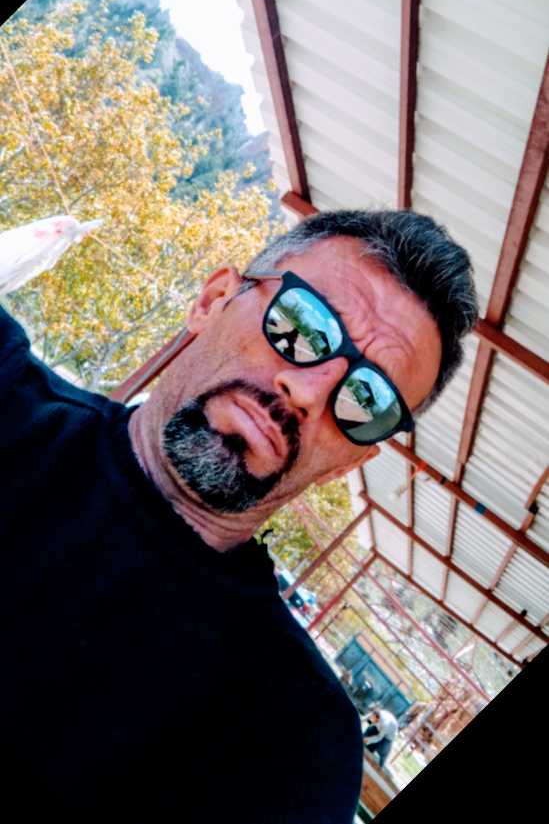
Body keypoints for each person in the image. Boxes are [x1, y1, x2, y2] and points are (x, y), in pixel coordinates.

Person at [0, 209, 478, 823]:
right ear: (213, 301)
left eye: (367, 399)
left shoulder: (295, 742)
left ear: (348, 463)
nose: (309, 393)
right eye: (304, 324)